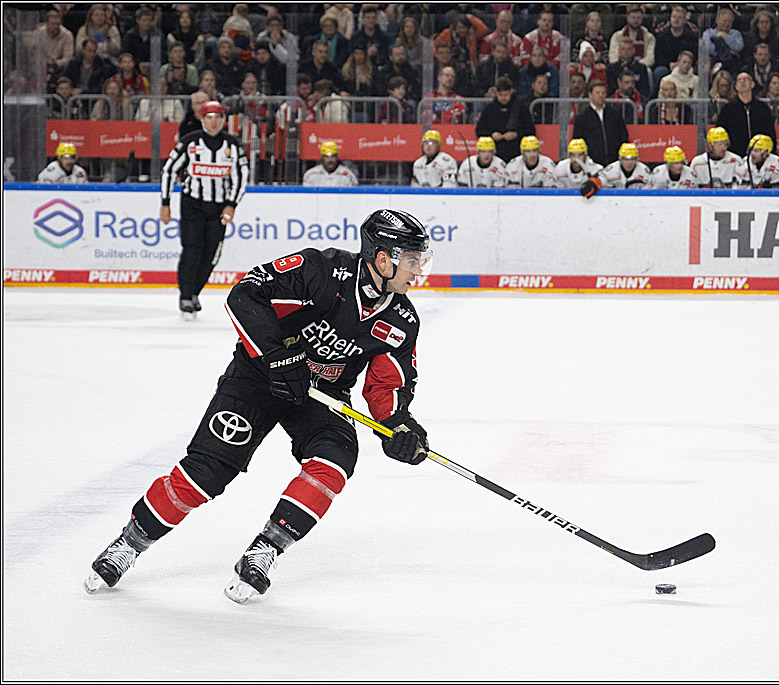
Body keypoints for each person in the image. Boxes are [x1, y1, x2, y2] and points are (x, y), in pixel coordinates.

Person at [84, 209, 434, 603]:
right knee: (206, 472)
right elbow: (246, 294)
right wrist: (276, 357)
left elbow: (387, 384)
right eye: (411, 259)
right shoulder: (322, 269)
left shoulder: (402, 319)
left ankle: (266, 548)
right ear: (383, 259)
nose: (418, 269)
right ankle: (130, 542)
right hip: (259, 377)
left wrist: (399, 426)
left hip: (321, 397)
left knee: (336, 457)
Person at [159, 101, 250, 318]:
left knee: (211, 253)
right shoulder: (190, 142)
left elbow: (242, 176)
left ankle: (195, 293)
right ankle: (185, 295)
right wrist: (165, 202)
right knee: (192, 248)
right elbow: (169, 171)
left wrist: (232, 204)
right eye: (209, 117)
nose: (213, 122)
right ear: (202, 120)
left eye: (217, 117)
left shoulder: (233, 145)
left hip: (219, 207)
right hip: (193, 203)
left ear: (223, 120)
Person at [475, 76, 535, 163]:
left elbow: (531, 130)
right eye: (500, 95)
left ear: (511, 91)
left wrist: (516, 134)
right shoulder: (490, 108)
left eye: (506, 95)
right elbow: (479, 130)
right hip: (494, 154)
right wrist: (491, 134)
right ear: (496, 93)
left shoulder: (521, 107)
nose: (503, 98)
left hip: (516, 152)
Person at [717, 71, 776, 156]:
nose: (742, 81)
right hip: (735, 156)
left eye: (746, 79)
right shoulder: (727, 110)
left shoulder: (762, 108)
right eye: (739, 80)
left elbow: (770, 134)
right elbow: (722, 133)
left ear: (752, 84)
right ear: (736, 86)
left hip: (759, 156)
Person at [571, 80, 630, 167]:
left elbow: (623, 136)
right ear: (590, 95)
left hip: (614, 163)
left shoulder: (615, 113)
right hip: (592, 164)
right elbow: (578, 140)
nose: (601, 95)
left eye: (603, 92)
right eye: (597, 93)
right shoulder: (582, 117)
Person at [654, 5, 698, 85]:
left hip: (686, 65)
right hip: (667, 66)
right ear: (670, 18)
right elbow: (658, 58)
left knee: (694, 71)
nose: (676, 20)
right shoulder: (662, 36)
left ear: (685, 20)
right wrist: (669, 64)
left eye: (679, 18)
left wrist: (682, 64)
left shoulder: (691, 36)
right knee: (659, 71)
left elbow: (694, 56)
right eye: (674, 17)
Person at [36, 9, 75, 87]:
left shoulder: (67, 35)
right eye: (53, 24)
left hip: (60, 68)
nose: (56, 27)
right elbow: (35, 54)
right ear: (47, 24)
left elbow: (68, 57)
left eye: (58, 24)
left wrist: (56, 62)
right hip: (42, 66)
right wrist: (44, 61)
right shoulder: (39, 34)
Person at [607, 36, 653, 102]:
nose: (626, 52)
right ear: (619, 51)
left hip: (637, 101)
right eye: (623, 49)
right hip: (616, 102)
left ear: (634, 50)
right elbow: (610, 89)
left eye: (629, 49)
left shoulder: (641, 68)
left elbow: (645, 90)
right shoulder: (611, 68)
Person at [701, 7, 743, 76]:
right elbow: (709, 49)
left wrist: (725, 36)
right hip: (713, 64)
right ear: (717, 20)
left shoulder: (736, 34)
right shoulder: (708, 33)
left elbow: (739, 47)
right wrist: (729, 51)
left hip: (732, 65)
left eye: (729, 22)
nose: (727, 24)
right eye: (724, 21)